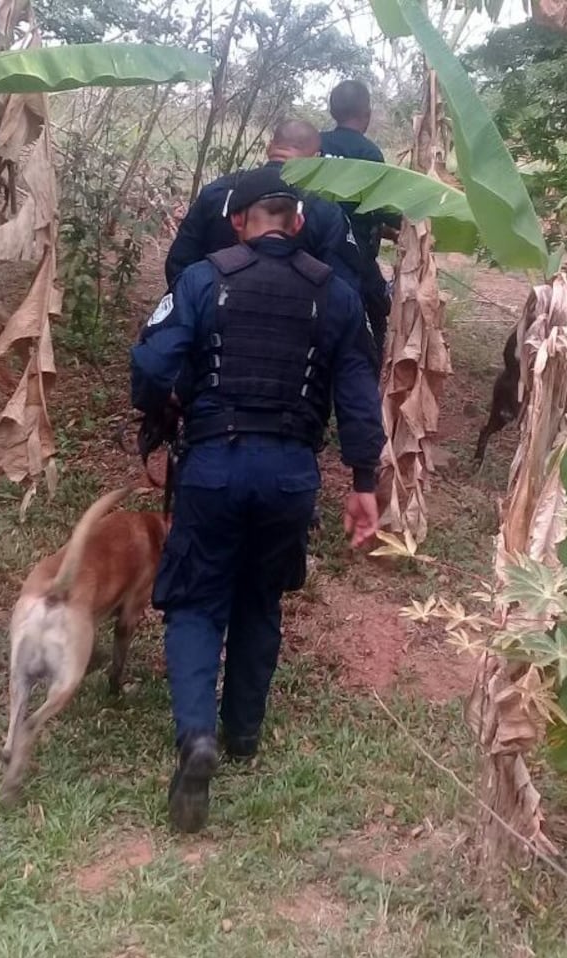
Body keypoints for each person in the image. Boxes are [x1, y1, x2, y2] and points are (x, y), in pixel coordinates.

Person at [131, 168, 385, 834]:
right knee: (259, 597)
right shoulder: (339, 294)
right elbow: (359, 393)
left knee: (194, 598)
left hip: (214, 462)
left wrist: (163, 403)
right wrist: (364, 484)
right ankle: (242, 733)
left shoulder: (202, 279)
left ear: (240, 221)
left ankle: (196, 737)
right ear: (297, 223)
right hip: (291, 474)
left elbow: (152, 365)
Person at [165, 119, 362, 299]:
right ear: (317, 158)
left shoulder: (217, 191)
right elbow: (343, 286)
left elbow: (179, 263)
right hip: (291, 328)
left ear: (269, 147)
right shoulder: (324, 209)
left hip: (211, 323)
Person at [320, 79, 401, 360]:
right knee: (373, 324)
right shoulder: (368, 153)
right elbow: (377, 205)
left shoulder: (316, 144)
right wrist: (407, 224)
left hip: (313, 251)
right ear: (366, 114)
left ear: (333, 110)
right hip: (356, 259)